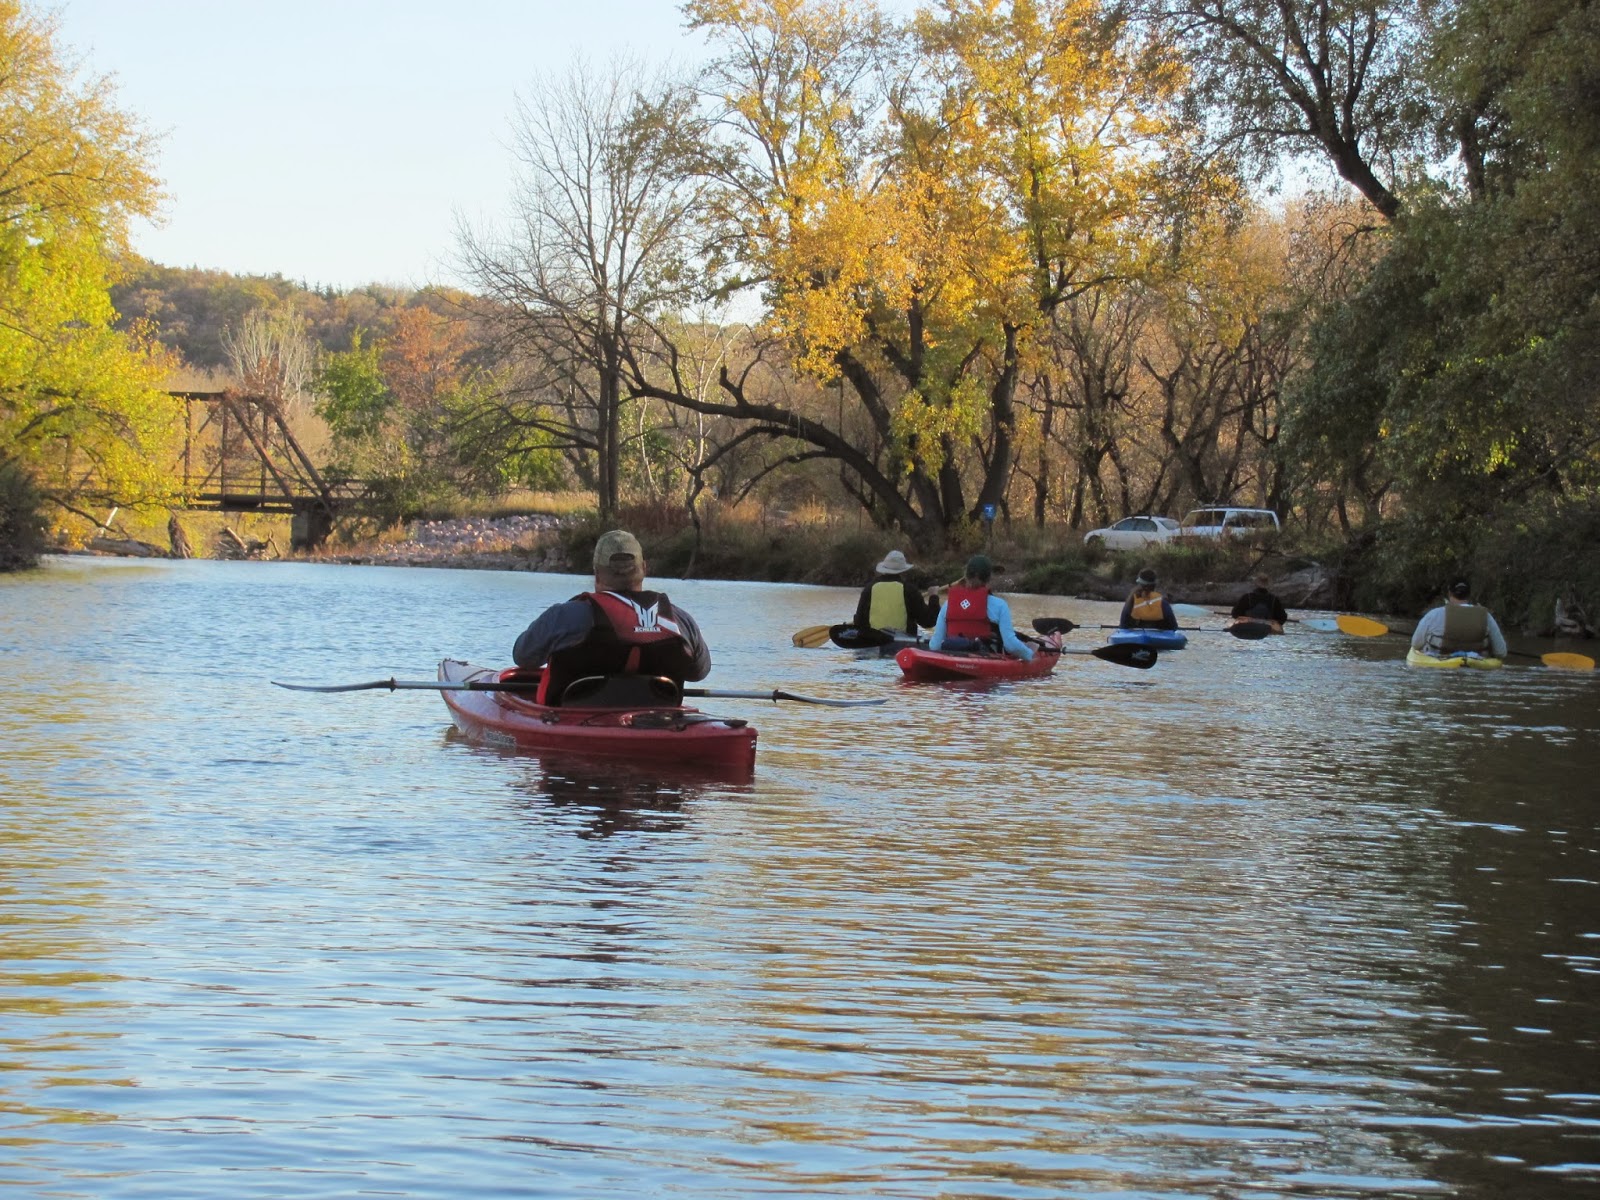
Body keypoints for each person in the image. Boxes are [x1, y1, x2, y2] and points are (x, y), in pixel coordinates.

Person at [512, 529, 711, 704]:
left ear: (597, 573)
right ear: (644, 569)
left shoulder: (564, 616)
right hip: (660, 721)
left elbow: (524, 657)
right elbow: (698, 673)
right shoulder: (680, 621)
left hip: (571, 717)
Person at [928, 554, 1036, 659]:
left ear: (966, 576)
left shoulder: (948, 604)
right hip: (985, 659)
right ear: (989, 579)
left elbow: (934, 646)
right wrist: (1029, 653)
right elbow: (1011, 646)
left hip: (952, 655)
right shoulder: (1000, 605)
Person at [1410, 581, 1508, 659]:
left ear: (1449, 593)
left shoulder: (1434, 614)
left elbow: (1415, 644)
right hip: (1476, 663)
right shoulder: (1485, 615)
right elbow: (1501, 652)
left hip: (1440, 663)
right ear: (1469, 594)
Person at [852, 549, 940, 636]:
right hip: (902, 644)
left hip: (872, 642)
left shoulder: (868, 589)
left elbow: (859, 622)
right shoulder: (910, 590)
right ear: (903, 571)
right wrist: (933, 597)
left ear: (884, 569)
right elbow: (929, 622)